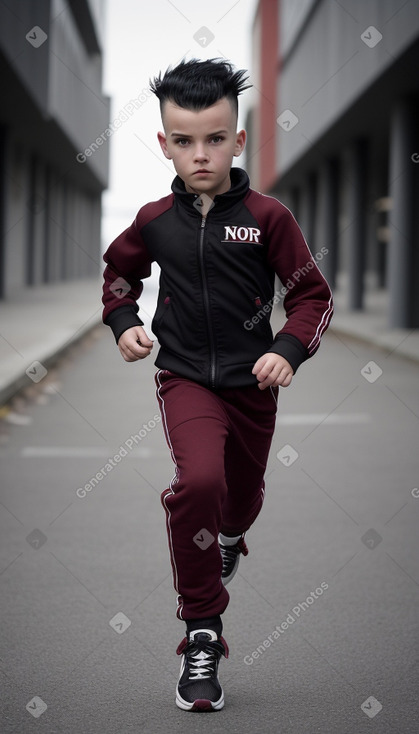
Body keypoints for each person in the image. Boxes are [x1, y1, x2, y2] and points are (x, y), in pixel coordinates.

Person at [102, 58, 333, 712]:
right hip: (184, 381)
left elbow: (312, 296)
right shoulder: (152, 221)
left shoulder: (267, 217)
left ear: (236, 139)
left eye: (213, 138)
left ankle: (231, 536)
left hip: (252, 387)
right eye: (183, 140)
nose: (198, 154)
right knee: (197, 484)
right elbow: (119, 279)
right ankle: (201, 629)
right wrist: (123, 322)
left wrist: (287, 348)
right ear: (164, 142)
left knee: (239, 499)